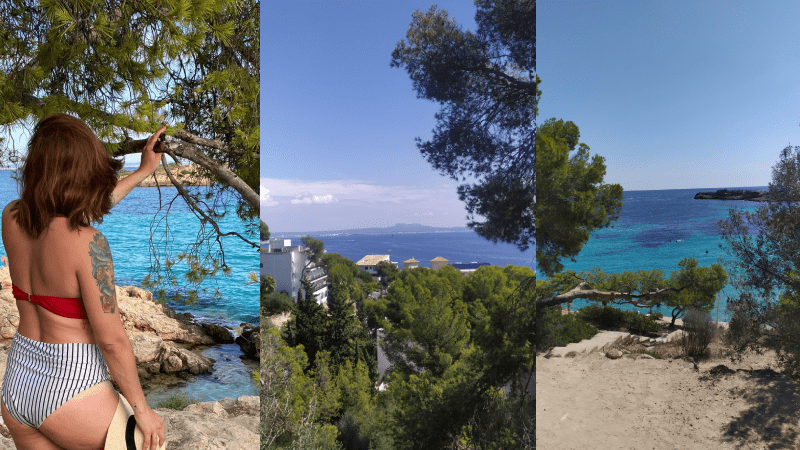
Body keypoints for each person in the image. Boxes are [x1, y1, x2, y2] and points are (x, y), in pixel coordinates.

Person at [0, 114, 167, 450]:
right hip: (70, 389)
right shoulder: (91, 245)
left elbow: (75, 215)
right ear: (81, 172)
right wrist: (142, 410)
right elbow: (112, 341)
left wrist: (141, 172)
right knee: (148, 441)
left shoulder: (12, 215)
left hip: (17, 386)